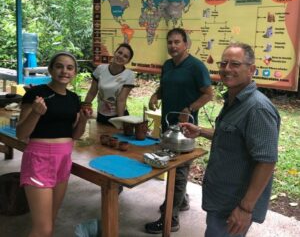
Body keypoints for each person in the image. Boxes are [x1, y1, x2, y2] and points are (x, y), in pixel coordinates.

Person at [181, 42, 280, 237]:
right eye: (223, 63)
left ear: (251, 69)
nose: (227, 69)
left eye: (235, 64)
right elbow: (232, 136)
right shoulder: (234, 100)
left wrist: (245, 208)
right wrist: (200, 131)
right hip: (220, 198)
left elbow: (267, 161)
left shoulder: (257, 108)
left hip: (234, 204)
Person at [16, 52, 92, 237]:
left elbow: (74, 134)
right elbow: (21, 134)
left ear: (74, 72)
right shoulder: (36, 94)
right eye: (59, 66)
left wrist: (83, 120)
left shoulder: (74, 98)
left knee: (51, 219)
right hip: (39, 160)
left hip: (63, 159)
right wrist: (35, 113)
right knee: (43, 229)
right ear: (50, 69)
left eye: (69, 67)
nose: (64, 71)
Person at [145, 28, 213, 233]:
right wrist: (155, 95)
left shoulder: (196, 67)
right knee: (172, 166)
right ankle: (181, 201)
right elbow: (164, 87)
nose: (173, 46)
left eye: (177, 42)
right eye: (170, 42)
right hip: (168, 126)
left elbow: (209, 94)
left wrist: (189, 108)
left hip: (186, 129)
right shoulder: (167, 65)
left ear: (186, 44)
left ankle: (170, 218)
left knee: (180, 170)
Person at [84, 43, 135, 124]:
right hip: (101, 114)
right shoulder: (100, 69)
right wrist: (84, 108)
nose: (121, 56)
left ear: (128, 61)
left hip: (118, 114)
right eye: (120, 53)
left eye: (125, 56)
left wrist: (120, 121)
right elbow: (92, 92)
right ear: (115, 53)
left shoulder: (129, 75)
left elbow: (121, 100)